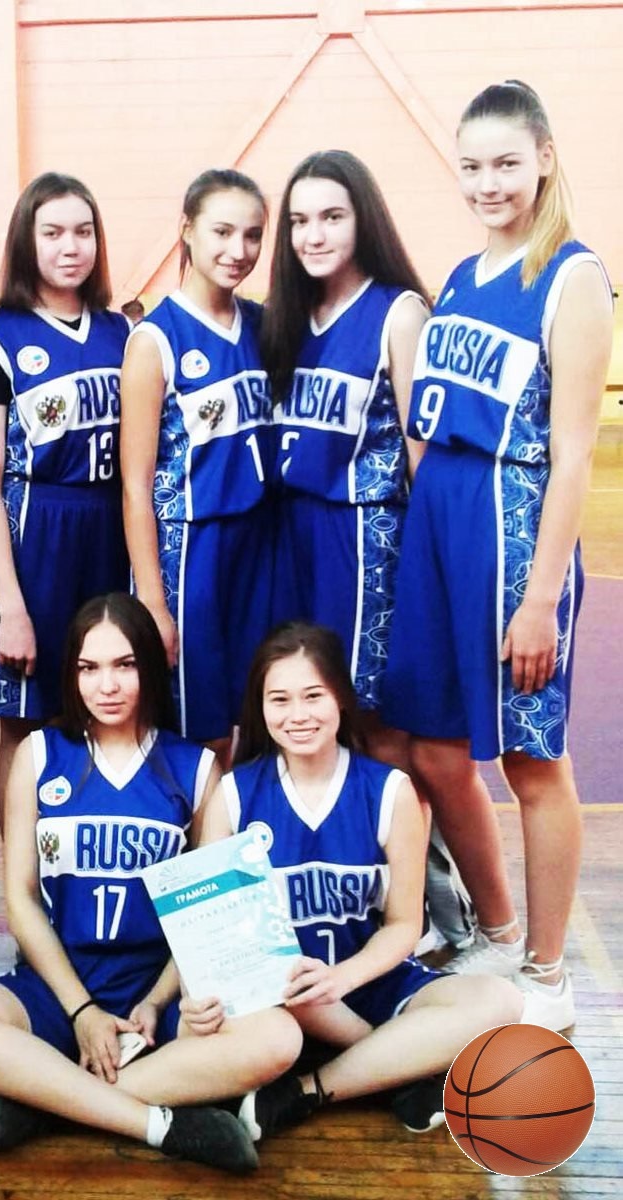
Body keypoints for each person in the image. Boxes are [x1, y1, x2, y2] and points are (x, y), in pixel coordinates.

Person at [0, 593, 301, 1173]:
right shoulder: (40, 755)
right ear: (72, 675)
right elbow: (21, 899)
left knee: (278, 1037)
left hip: (154, 993)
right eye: (89, 668)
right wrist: (81, 1011)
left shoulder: (196, 768)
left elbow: (208, 915)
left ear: (149, 667)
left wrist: (158, 1000)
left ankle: (49, 1098)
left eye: (125, 665)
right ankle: (158, 1120)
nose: (107, 685)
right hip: (59, 985)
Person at [381, 81, 613, 1030]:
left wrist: (538, 596)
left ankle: (548, 975)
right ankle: (496, 930)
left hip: (510, 528)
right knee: (434, 747)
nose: (488, 182)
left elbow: (573, 455)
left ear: (544, 159)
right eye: (471, 165)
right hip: (438, 522)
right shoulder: (461, 274)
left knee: (530, 759)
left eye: (506, 163)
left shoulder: (573, 276)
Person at [201, 623, 522, 1145]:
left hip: (367, 979)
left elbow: (403, 925)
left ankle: (310, 1088)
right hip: (285, 996)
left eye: (313, 696)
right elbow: (218, 931)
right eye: (279, 699)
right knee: (274, 981)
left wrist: (342, 978)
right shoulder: (234, 794)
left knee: (501, 1001)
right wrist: (302, 984)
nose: (298, 714)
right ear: (259, 707)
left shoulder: (389, 790)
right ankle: (396, 1068)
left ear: (341, 700)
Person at [0, 173, 132, 830]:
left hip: (110, 529)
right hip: (36, 534)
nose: (71, 246)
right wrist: (10, 606)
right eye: (53, 232)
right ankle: (20, 873)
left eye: (83, 231)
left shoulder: (123, 332)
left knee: (109, 707)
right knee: (26, 719)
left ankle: (87, 857)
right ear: (25, 241)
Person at [261, 150, 429, 763]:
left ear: (365, 219)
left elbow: (422, 460)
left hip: (364, 536)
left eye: (332, 217)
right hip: (288, 532)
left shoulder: (398, 312)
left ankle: (401, 827)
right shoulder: (285, 316)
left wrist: (432, 570)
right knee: (299, 706)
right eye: (299, 221)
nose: (314, 235)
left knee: (369, 715)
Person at [121, 169, 273, 762]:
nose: (239, 250)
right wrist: (154, 603)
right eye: (222, 231)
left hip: (258, 543)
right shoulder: (156, 340)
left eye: (253, 235)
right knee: (199, 732)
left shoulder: (263, 326)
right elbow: (135, 487)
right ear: (187, 229)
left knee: (257, 720)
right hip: (190, 551)